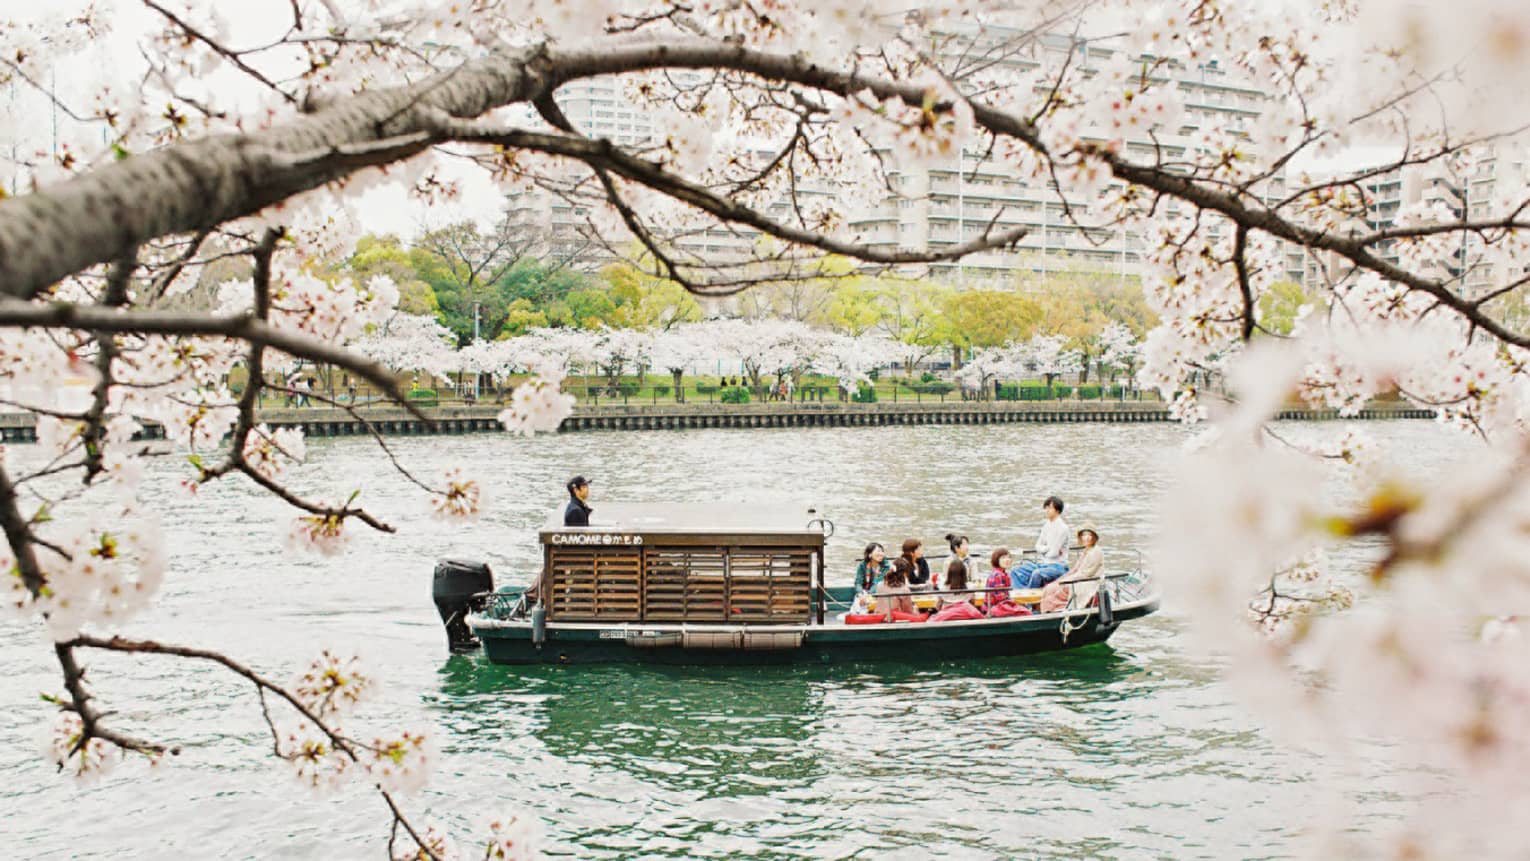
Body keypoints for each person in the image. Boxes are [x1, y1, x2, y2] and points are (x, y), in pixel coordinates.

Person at [1041, 524, 1105, 613]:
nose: (1086, 538)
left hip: (1088, 581)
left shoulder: (1096, 551)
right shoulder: (1086, 550)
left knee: (1060, 589)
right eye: (1084, 535)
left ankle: (1057, 609)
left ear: (1094, 537)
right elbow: (1075, 569)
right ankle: (1048, 611)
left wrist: (1068, 580)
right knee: (1050, 587)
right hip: (1079, 577)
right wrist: (1061, 579)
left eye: (1089, 535)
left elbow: (1087, 573)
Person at [1011, 495, 1070, 588]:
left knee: (1037, 574)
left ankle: (1029, 599)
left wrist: (1045, 550)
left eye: (1050, 508)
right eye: (1046, 507)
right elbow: (1037, 546)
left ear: (1058, 510)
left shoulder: (1062, 528)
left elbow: (1053, 554)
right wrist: (1047, 548)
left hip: (1058, 566)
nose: (1047, 510)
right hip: (1043, 564)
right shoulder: (1047, 526)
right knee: (1015, 570)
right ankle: (1022, 593)